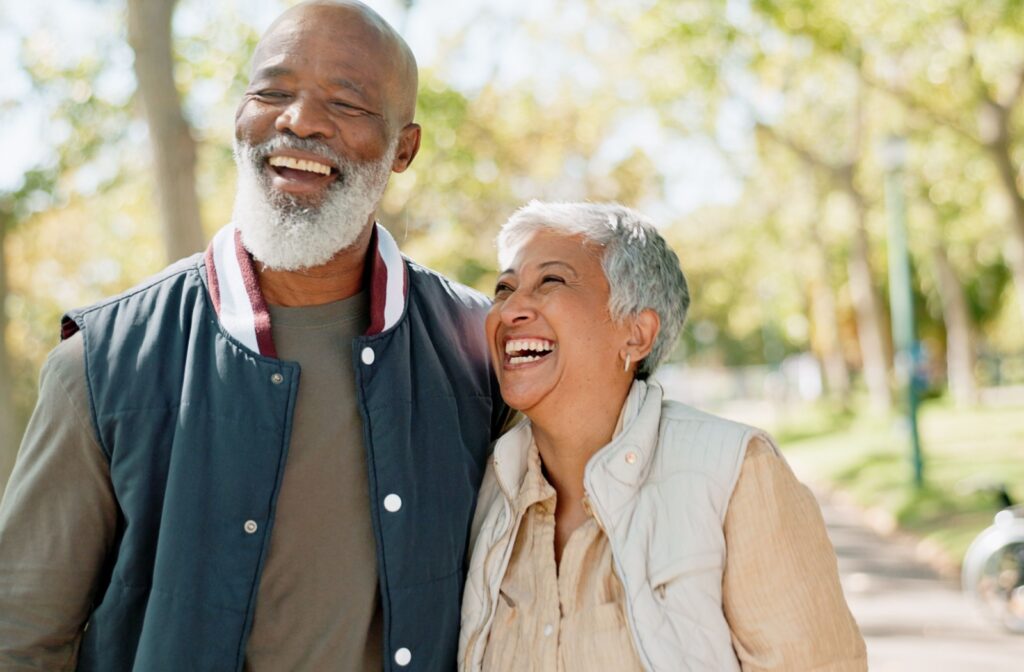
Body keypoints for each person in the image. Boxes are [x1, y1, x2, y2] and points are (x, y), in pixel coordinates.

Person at [0, 2, 510, 670]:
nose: (299, 120)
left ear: (403, 149)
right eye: (272, 92)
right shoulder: (102, 363)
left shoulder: (480, 354)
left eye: (346, 103)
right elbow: (20, 635)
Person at [459, 201, 868, 671]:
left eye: (550, 281)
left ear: (636, 335)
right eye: (504, 288)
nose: (511, 309)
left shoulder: (736, 472)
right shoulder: (485, 484)